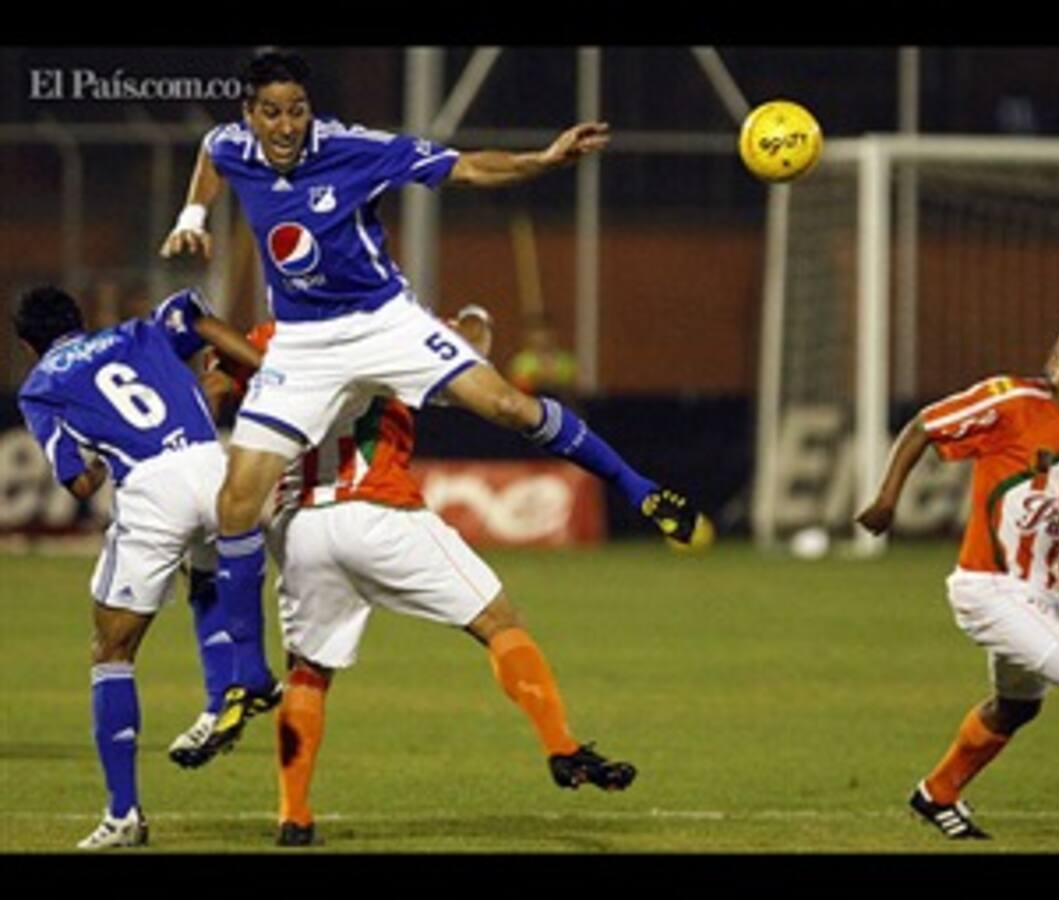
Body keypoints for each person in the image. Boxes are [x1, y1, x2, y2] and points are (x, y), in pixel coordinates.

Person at [158, 48, 713, 753]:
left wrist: (542, 162)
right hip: (301, 343)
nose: (286, 125)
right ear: (250, 113)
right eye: (271, 112)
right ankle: (247, 675)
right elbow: (210, 154)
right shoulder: (231, 145)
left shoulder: (355, 148)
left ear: (310, 109)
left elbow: (467, 166)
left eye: (297, 110)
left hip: (384, 321)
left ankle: (640, 490)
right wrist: (193, 213)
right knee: (239, 500)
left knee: (509, 407)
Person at [194, 304, 634, 847]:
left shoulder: (273, 337)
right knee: (498, 621)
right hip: (381, 511)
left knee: (308, 671)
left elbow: (213, 383)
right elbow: (473, 343)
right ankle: (562, 747)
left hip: (301, 523)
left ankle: (294, 816)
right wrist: (472, 315)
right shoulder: (390, 329)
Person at [856, 321, 1059, 842]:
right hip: (987, 587)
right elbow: (924, 426)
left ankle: (936, 794)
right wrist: (888, 498)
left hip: (1041, 598)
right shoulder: (1011, 401)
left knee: (1017, 707)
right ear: (1055, 360)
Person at [13, 285, 262, 850]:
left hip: (155, 487)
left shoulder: (41, 387)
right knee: (205, 581)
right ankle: (222, 698)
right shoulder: (138, 331)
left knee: (112, 650)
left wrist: (99, 463)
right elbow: (194, 315)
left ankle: (123, 813)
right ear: (81, 319)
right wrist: (264, 370)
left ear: (29, 346)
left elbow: (77, 482)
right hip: (214, 464)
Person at [506, 312, 579, 403]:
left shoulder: (566, 361)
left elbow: (573, 388)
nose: (542, 338)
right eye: (538, 334)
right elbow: (518, 388)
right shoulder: (521, 361)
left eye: (546, 333)